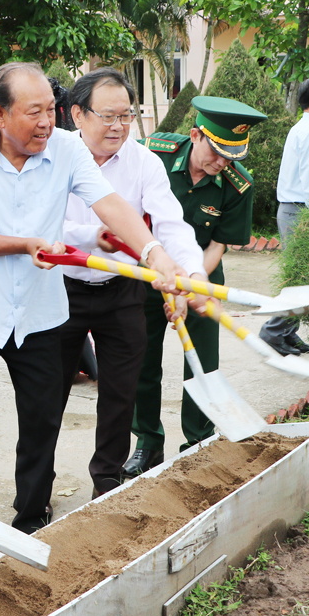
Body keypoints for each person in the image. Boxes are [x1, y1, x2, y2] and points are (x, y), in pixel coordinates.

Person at [0, 61, 194, 556]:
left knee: (41, 422)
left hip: (41, 313)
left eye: (51, 109)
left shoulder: (68, 150)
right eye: (35, 113)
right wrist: (25, 244)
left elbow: (111, 206)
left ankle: (31, 515)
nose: (47, 122)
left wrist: (154, 252)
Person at [56, 69, 207, 497]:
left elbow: (171, 225)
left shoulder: (145, 161)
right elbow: (39, 225)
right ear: (77, 116)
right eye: (108, 116)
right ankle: (33, 498)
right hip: (59, 289)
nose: (119, 126)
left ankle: (106, 486)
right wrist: (89, 237)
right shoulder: (53, 153)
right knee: (47, 398)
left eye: (127, 115)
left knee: (121, 395)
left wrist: (191, 274)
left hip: (121, 291)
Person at [124, 96, 265, 477]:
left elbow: (217, 243)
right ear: (194, 135)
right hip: (146, 274)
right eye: (217, 152)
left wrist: (190, 287)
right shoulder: (151, 154)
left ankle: (197, 446)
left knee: (201, 365)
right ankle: (147, 443)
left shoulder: (238, 185)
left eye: (231, 157)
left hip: (202, 282)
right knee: (143, 360)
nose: (223, 163)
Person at [259, 77, 309, 357]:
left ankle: (288, 333)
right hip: (300, 210)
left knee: (301, 276)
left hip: (294, 209)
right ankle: (273, 330)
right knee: (300, 278)